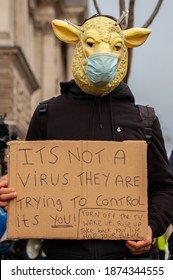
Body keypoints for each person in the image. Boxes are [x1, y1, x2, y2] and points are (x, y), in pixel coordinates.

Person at [1, 14, 173, 260]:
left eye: (114, 46)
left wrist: (151, 228)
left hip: (127, 263)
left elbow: (164, 188)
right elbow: (29, 183)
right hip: (62, 265)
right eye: (91, 43)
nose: (102, 56)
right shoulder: (47, 114)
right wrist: (11, 193)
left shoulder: (144, 120)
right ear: (79, 46)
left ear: (123, 49)